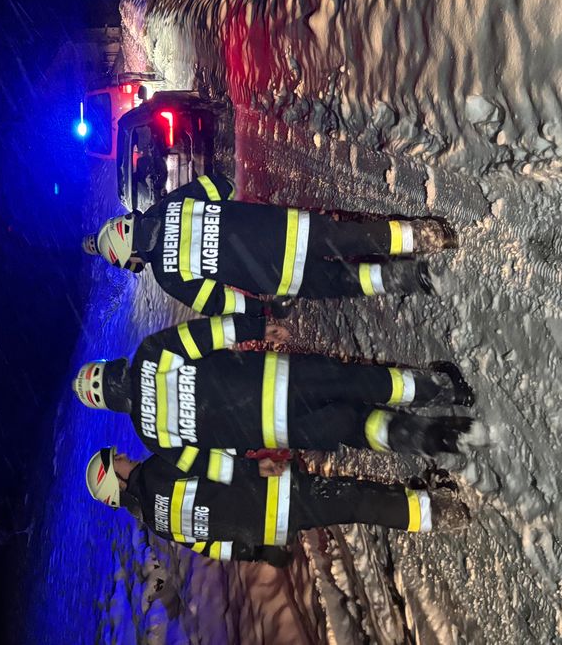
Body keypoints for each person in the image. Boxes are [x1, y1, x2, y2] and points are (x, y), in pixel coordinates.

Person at [73, 313, 478, 473]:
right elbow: (209, 334)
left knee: (356, 428)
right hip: (279, 379)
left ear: (112, 404)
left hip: (278, 429)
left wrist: (256, 468)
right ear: (113, 369)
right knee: (353, 383)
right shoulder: (148, 354)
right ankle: (441, 390)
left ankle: (435, 436)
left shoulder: (150, 436)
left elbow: (207, 466)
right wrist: (257, 329)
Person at [81, 173, 456, 315]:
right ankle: (424, 235)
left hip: (279, 277)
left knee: (347, 282)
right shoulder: (169, 206)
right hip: (286, 228)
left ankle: (407, 278)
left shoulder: (166, 275)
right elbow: (221, 185)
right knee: (352, 236)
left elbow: (218, 302)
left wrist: (261, 310)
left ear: (129, 253)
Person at [83, 447, 469, 567]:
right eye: (115, 460)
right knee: (352, 498)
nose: (122, 456)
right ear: (115, 483)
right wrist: (257, 463)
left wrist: (261, 552)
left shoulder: (157, 523)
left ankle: (417, 502)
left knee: (349, 501)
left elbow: (211, 545)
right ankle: (438, 512)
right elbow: (215, 460)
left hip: (272, 524)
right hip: (272, 494)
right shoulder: (154, 469)